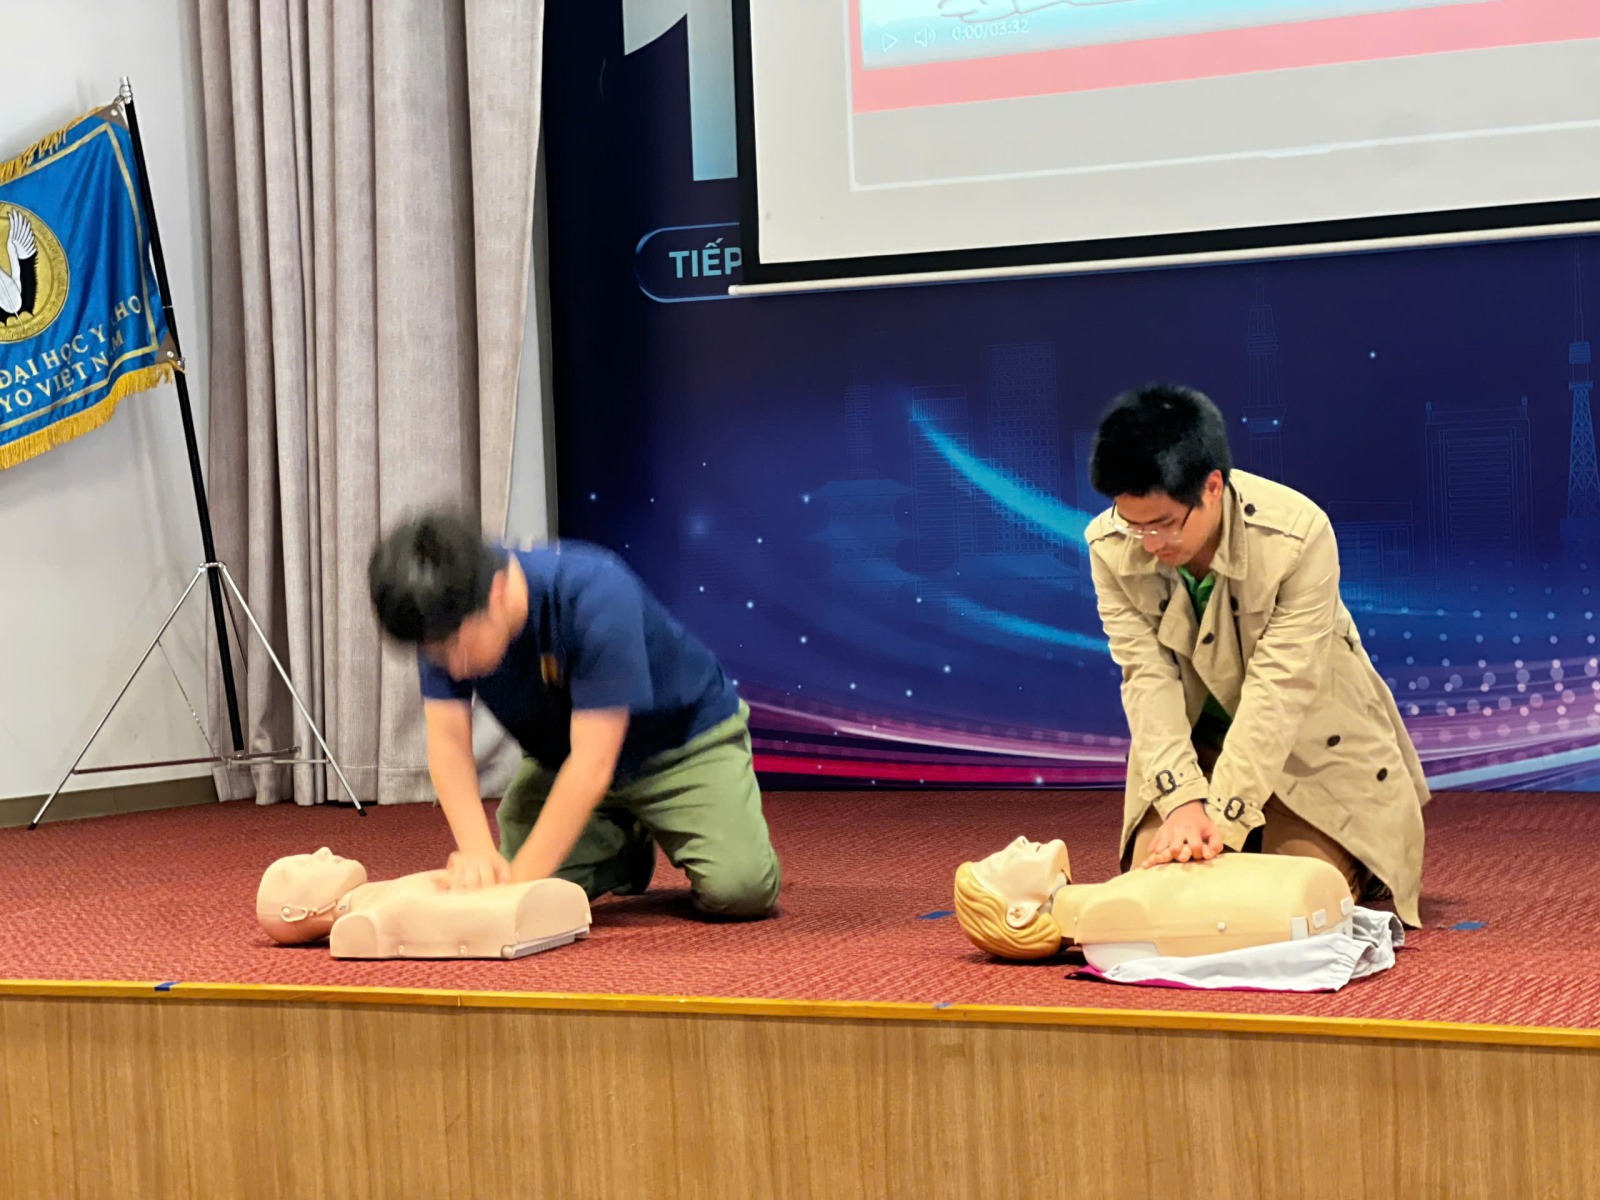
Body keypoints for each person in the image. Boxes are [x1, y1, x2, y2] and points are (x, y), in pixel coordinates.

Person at [1083, 383, 1428, 927]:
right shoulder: (1108, 545)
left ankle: (1357, 860)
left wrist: (1222, 818)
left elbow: (1280, 689)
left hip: (1310, 747)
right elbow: (1146, 680)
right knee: (1153, 901)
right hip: (1198, 749)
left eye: (1164, 524)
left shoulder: (1298, 535)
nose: (1148, 542)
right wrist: (1182, 803)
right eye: (1134, 524)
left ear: (1212, 487)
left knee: (1288, 905)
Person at [366, 509, 781, 919]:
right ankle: (622, 850)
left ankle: (642, 823)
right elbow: (448, 744)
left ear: (497, 592)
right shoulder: (440, 617)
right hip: (561, 760)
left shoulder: (595, 593)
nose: (453, 668)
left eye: (458, 647)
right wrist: (478, 854)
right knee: (515, 873)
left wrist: (512, 896)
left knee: (740, 890)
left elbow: (592, 764)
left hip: (679, 744)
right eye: (437, 654)